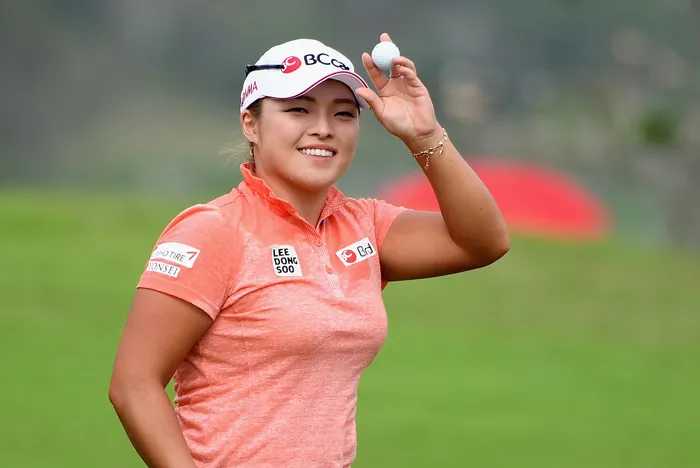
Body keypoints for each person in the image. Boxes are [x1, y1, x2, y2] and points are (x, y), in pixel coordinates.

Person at [108, 33, 510, 467]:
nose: (323, 128)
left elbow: (483, 242)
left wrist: (424, 134)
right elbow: (134, 384)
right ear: (251, 123)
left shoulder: (364, 226)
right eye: (298, 109)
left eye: (343, 113)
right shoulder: (213, 230)